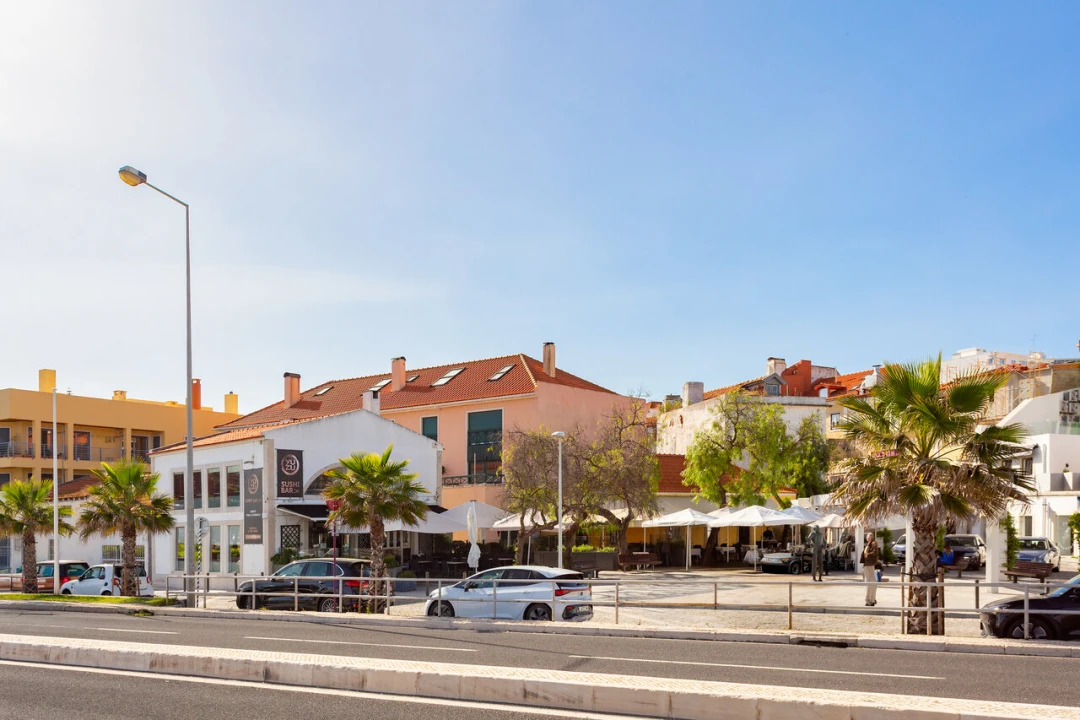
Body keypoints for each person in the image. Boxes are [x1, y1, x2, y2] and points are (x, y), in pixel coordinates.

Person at [861, 533, 879, 606]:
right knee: (869, 582)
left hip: (869, 565)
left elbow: (874, 553)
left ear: (870, 538)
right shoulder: (869, 544)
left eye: (867, 537)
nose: (866, 538)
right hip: (867, 565)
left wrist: (867, 555)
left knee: (870, 582)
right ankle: (871, 599)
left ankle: (870, 599)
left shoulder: (873, 543)